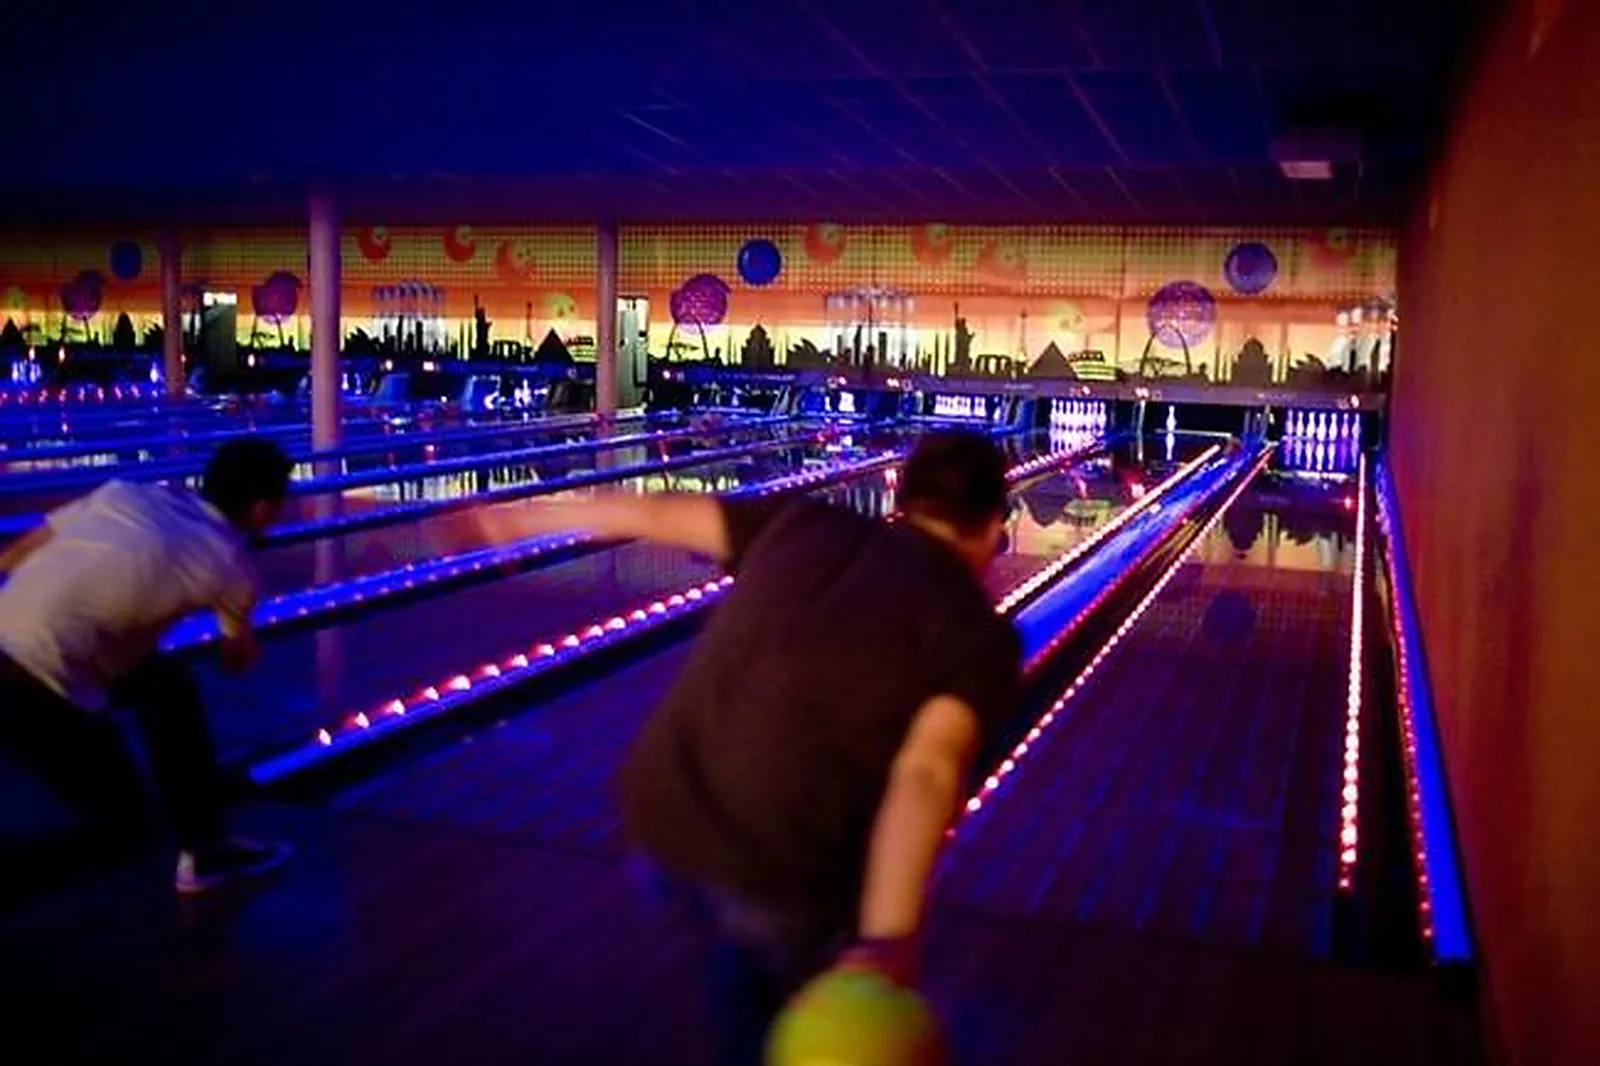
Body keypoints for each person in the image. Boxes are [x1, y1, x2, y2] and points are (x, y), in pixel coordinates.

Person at [468, 429, 1020, 1064]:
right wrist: (888, 941)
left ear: (902, 491)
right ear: (992, 523)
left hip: (658, 812)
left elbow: (648, 510)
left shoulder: (804, 523)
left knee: (737, 953)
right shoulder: (979, 638)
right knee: (796, 990)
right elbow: (926, 773)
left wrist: (504, 519)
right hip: (772, 869)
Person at [0, 437, 295, 895]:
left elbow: (14, 557)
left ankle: (206, 846)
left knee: (165, 682)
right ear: (261, 508)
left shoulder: (126, 493)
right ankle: (203, 849)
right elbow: (236, 659)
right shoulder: (231, 565)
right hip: (32, 686)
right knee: (129, 833)